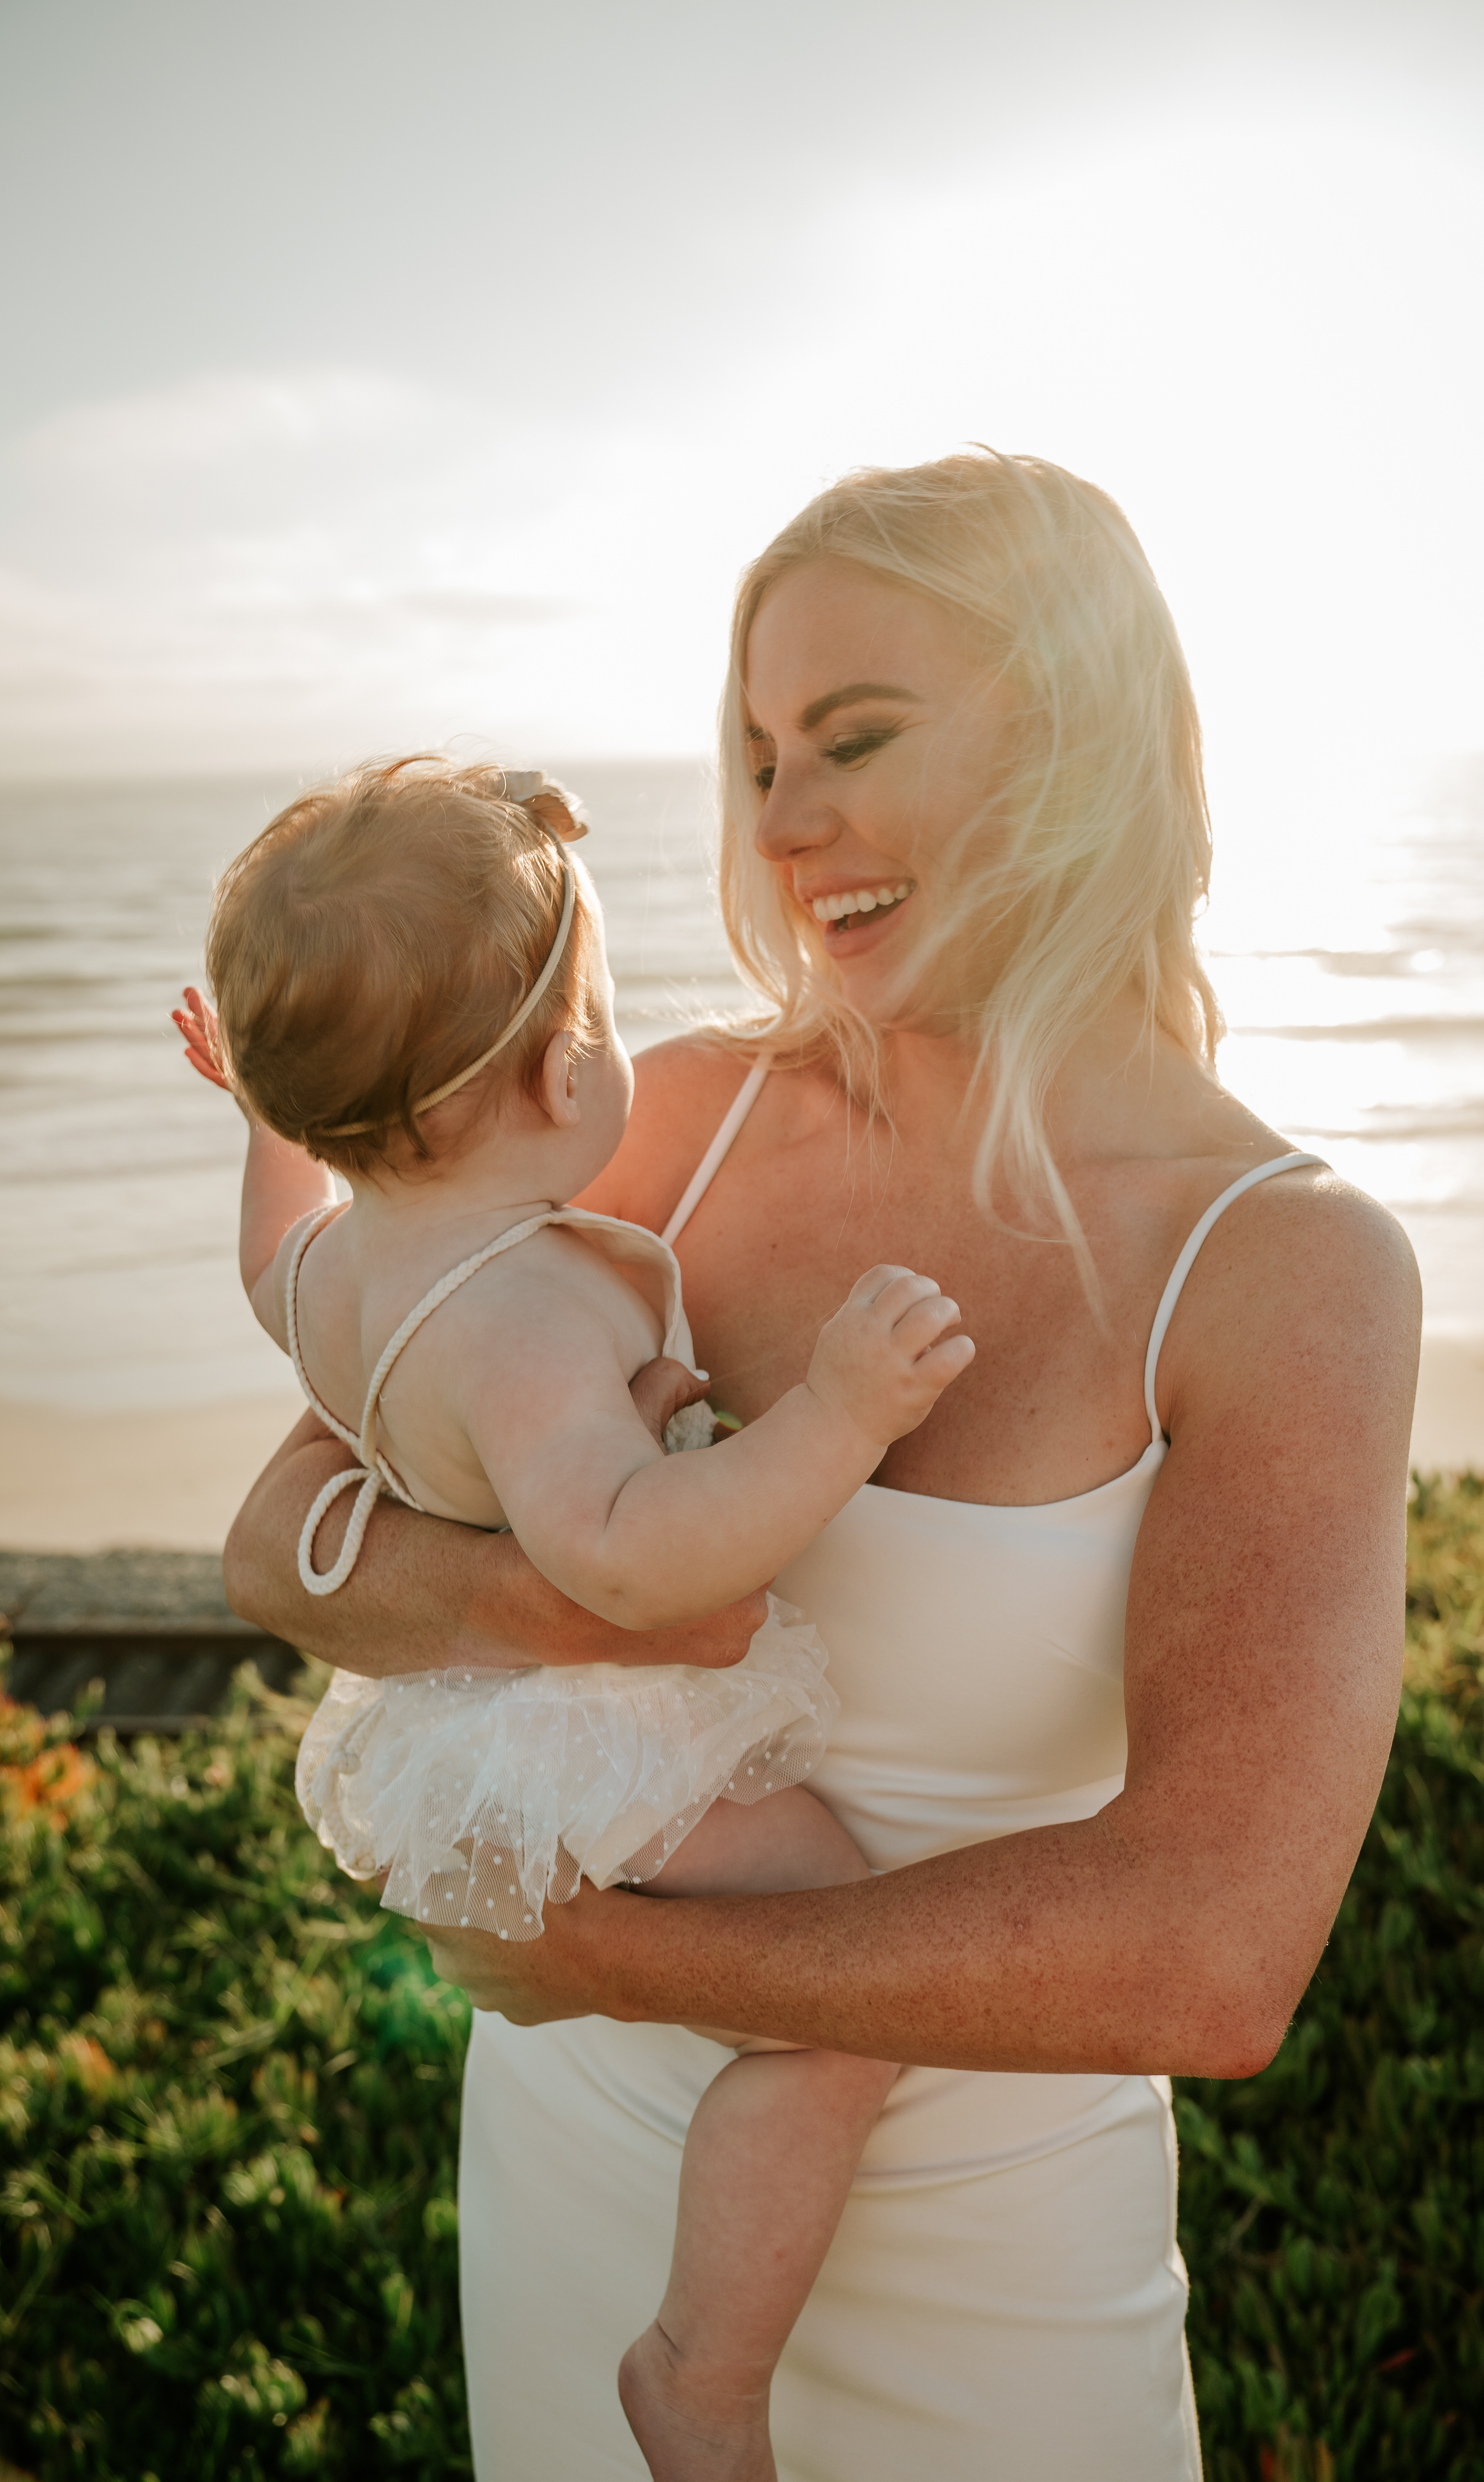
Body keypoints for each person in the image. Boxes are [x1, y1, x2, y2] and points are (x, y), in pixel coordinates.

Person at [224, 451, 1420, 2482]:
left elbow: (1215, 1952)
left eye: (853, 741)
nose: (783, 825)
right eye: (762, 755)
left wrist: (620, 1957)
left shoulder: (1282, 1267)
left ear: (1075, 734)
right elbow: (280, 1541)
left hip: (999, 2281)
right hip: (577, 2192)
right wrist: (572, 1593)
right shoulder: (659, 1127)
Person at [174, 754, 977, 2481]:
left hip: (476, 1736)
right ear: (563, 1070)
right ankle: (704, 2364)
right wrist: (836, 1414)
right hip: (605, 1747)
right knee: (849, 1995)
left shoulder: (335, 1274)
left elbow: (264, 1253)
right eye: (603, 1022)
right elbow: (623, 1558)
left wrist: (260, 1125)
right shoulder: (527, 1317)